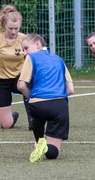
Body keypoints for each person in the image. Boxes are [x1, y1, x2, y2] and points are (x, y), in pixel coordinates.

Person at [17, 34, 74, 162]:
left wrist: (32, 97)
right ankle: (46, 148)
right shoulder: (59, 59)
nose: (23, 52)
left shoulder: (31, 58)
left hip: (36, 106)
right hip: (59, 106)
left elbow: (21, 86)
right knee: (53, 153)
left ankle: (39, 144)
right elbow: (70, 90)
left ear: (37, 44)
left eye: (26, 48)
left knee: (37, 118)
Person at [0, 5, 33, 129]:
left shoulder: (24, 39)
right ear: (4, 25)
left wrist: (24, 73)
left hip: (19, 77)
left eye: (16, 28)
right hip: (1, 81)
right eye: (10, 28)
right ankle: (12, 117)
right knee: (6, 125)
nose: (13, 32)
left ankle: (33, 119)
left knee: (27, 84)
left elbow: (30, 59)